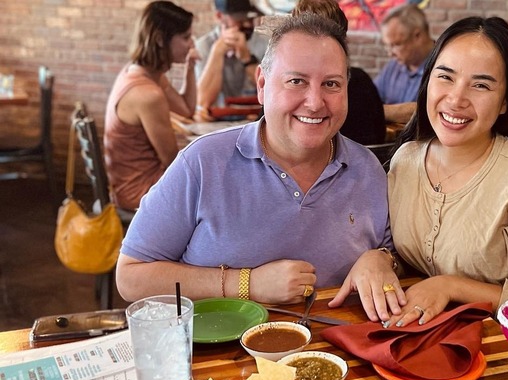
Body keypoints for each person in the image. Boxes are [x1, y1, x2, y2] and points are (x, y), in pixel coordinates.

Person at [117, 13, 404, 323]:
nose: (315, 102)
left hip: (337, 359)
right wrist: (248, 284)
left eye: (331, 84)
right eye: (296, 81)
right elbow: (131, 277)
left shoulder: (367, 169)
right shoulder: (203, 162)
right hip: (218, 360)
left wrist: (382, 259)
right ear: (262, 85)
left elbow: (394, 254)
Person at [336, 16, 508, 326]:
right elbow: (408, 257)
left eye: (480, 84)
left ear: (506, 102)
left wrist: (452, 287)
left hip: (504, 355)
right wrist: (380, 258)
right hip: (415, 341)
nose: (456, 99)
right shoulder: (406, 160)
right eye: (446, 77)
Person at [103, 1, 198, 211]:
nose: (191, 45)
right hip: (140, 191)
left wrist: (190, 68)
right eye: (185, 37)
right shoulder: (147, 94)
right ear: (159, 40)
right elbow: (173, 162)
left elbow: (186, 108)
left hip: (135, 184)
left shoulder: (141, 72)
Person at [291, 0, 385, 145]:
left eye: (330, 84)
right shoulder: (361, 81)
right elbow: (379, 137)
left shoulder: (285, 82)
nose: (315, 104)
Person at [194, 0, 268, 116]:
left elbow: (270, 92)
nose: (247, 24)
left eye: (250, 18)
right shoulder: (204, 46)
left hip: (255, 118)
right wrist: (217, 53)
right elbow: (202, 102)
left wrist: (247, 59)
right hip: (218, 120)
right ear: (219, 16)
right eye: (240, 19)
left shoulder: (264, 44)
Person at [374, 4, 435, 125]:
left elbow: (428, 112)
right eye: (387, 46)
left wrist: (375, 111)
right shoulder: (393, 65)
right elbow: (371, 98)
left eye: (396, 45)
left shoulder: (444, 67)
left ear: (418, 36)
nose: (390, 53)